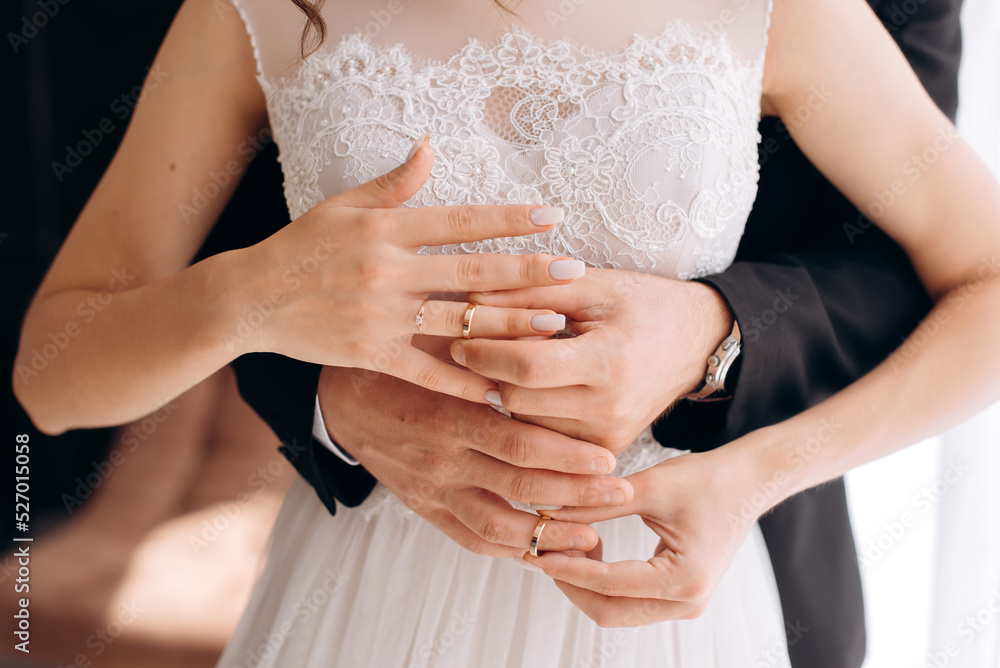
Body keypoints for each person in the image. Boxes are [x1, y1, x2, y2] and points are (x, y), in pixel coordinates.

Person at [230, 1, 964, 665]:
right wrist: (321, 382)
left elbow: (941, 269)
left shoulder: (788, 16)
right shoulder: (265, 16)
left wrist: (722, 352)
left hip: (682, 563)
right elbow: (198, 252)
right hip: (373, 571)